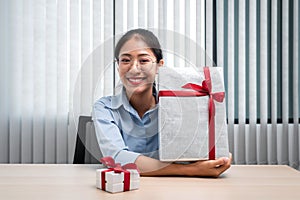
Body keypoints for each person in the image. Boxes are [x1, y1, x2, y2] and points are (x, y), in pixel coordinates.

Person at [92, 28, 231, 177]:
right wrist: (191, 170)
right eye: (125, 60)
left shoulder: (180, 105)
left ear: (159, 65)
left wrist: (216, 157)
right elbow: (117, 158)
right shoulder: (104, 108)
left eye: (144, 60)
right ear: (117, 65)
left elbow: (193, 152)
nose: (133, 69)